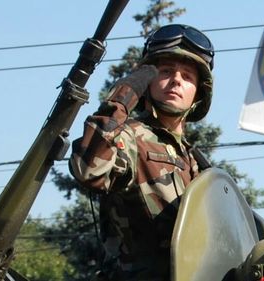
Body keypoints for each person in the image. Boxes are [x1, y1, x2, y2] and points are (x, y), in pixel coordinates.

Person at [69, 24, 214, 281]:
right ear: (148, 80)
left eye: (188, 76)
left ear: (198, 95)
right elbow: (88, 169)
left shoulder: (197, 164)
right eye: (166, 71)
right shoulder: (130, 137)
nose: (177, 80)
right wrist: (124, 95)